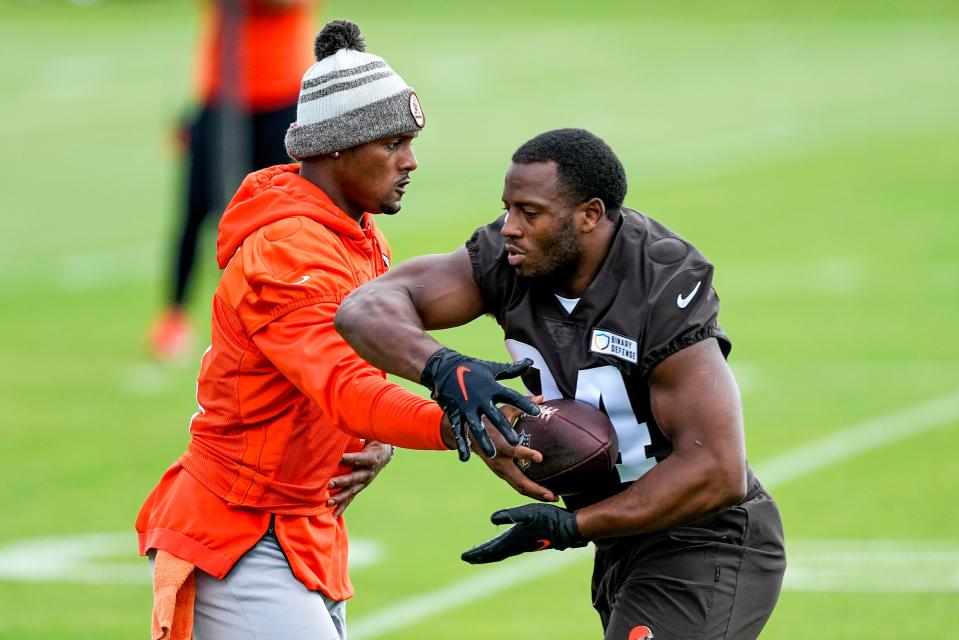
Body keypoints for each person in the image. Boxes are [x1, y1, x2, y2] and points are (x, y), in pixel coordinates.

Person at [136, 21, 539, 640]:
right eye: (393, 143)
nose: (411, 161)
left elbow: (344, 392)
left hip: (304, 527)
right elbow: (345, 386)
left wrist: (367, 438)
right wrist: (462, 422)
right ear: (336, 149)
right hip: (241, 529)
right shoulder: (288, 250)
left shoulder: (351, 231)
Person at [335, 128, 787, 639]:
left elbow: (718, 470)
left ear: (589, 215)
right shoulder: (510, 261)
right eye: (508, 209)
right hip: (623, 537)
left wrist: (572, 527)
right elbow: (363, 309)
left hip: (705, 539)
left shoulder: (658, 282)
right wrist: (446, 369)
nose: (509, 228)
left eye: (529, 213)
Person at [148, 0, 320, 360]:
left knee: (281, 217)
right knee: (196, 210)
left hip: (279, 96)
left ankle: (285, 314)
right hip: (220, 97)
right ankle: (174, 316)